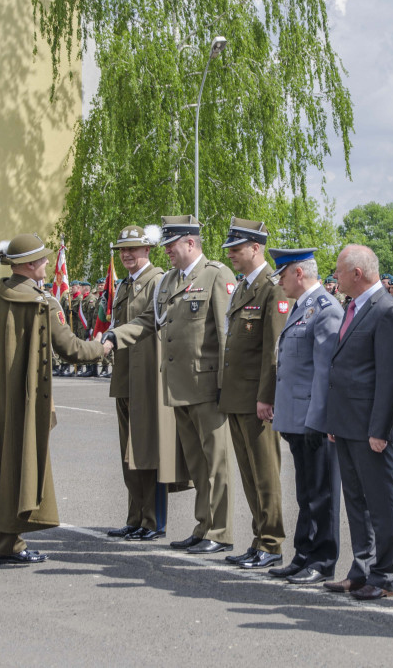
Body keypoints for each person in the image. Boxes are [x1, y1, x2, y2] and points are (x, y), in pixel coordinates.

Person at [0, 234, 109, 564]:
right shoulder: (41, 303)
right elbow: (72, 349)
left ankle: (0, 540)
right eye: (42, 260)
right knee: (18, 464)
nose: (48, 264)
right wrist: (105, 347)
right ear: (28, 265)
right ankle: (9, 546)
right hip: (22, 398)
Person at [103, 215, 237, 555]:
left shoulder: (216, 275)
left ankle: (219, 531)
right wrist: (114, 336)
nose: (167, 252)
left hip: (208, 387)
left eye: (171, 246)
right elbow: (149, 321)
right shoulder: (171, 282)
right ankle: (202, 526)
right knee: (198, 463)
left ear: (190, 243)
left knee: (216, 463)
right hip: (179, 387)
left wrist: (228, 386)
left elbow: (225, 337)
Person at [322, 245, 393, 601]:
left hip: (369, 426)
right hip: (346, 422)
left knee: (379, 501)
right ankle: (361, 569)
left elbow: (389, 377)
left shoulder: (387, 310)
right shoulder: (353, 307)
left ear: (357, 273)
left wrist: (379, 429)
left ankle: (384, 574)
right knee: (355, 499)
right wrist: (333, 419)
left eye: (339, 271)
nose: (335, 277)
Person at [105, 224, 187, 542]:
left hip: (149, 379)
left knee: (148, 451)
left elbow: (156, 326)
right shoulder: (126, 285)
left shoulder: (158, 282)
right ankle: (135, 517)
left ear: (147, 251)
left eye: (132, 249)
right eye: (123, 250)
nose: (126, 254)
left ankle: (153, 521)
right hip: (125, 377)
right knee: (129, 452)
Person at [269, 248, 343, 584]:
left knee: (322, 492)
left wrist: (319, 419)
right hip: (297, 417)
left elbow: (326, 373)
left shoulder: (325, 310)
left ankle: (323, 559)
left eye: (282, 274)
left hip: (314, 419)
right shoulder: (303, 307)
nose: (280, 281)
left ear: (299, 273)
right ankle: (303, 553)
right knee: (305, 491)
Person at [220, 218, 289, 569]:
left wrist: (267, 397)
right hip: (236, 397)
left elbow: (273, 351)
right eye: (229, 249)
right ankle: (258, 537)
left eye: (237, 248)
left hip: (256, 400)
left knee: (265, 473)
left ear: (256, 248)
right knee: (249, 474)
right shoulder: (243, 286)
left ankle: (272, 543)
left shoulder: (271, 288)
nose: (231, 254)